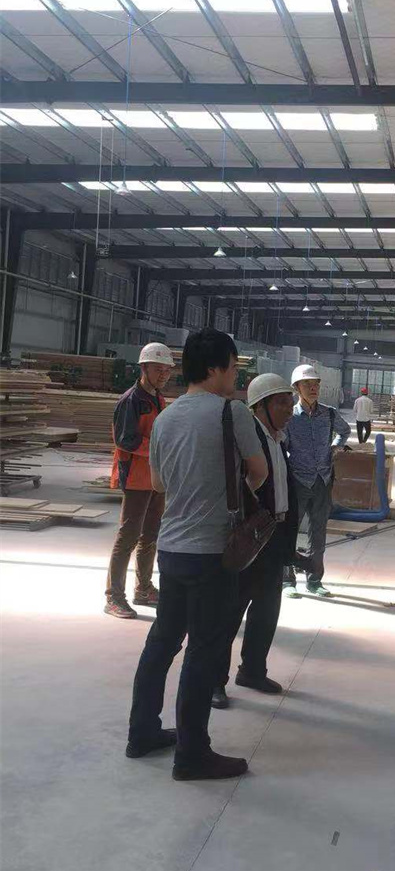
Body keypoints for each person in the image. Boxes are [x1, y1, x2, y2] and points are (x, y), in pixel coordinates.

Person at [126, 329, 268, 782]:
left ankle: (142, 733)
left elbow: (160, 483)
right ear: (214, 368)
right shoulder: (232, 412)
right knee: (204, 650)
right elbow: (259, 472)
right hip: (212, 552)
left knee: (163, 642)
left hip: (171, 548)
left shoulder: (166, 417)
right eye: (233, 367)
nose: (235, 376)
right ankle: (192, 754)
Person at [213, 374, 306, 710]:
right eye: (281, 402)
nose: (289, 409)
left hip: (274, 537)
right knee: (230, 613)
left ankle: (252, 671)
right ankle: (214, 682)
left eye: (289, 402)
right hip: (250, 537)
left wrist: (289, 544)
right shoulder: (248, 437)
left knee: (267, 610)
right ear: (260, 406)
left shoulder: (278, 439)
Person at [105, 342, 174, 619]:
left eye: (167, 371)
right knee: (128, 537)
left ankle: (143, 588)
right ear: (143, 368)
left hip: (155, 478)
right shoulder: (131, 400)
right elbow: (125, 440)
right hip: (135, 477)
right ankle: (113, 597)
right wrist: (158, 449)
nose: (163, 375)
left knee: (150, 536)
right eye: (158, 369)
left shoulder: (157, 398)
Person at [282, 363, 351, 598]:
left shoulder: (329, 414)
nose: (313, 388)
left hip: (323, 480)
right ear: (296, 388)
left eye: (316, 384)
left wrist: (335, 447)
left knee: (318, 532)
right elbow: (281, 443)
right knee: (289, 531)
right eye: (307, 384)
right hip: (298, 480)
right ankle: (287, 581)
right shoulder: (289, 417)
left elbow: (344, 431)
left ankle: (314, 580)